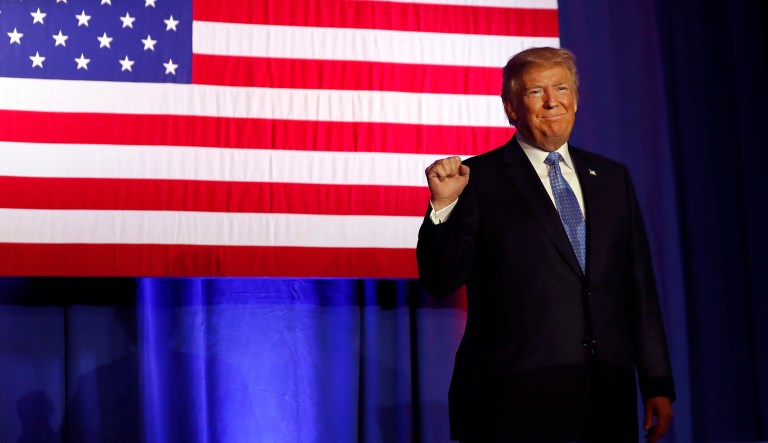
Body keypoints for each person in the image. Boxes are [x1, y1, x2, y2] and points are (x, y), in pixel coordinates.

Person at [416, 47, 675, 442]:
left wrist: (657, 381)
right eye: (536, 92)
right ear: (511, 108)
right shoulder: (477, 179)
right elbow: (440, 278)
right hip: (512, 400)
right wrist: (443, 205)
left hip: (606, 396)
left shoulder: (611, 178)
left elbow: (638, 289)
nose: (553, 101)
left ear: (576, 99)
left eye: (562, 88)